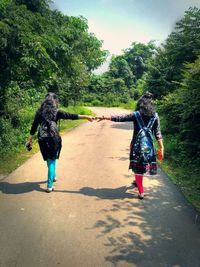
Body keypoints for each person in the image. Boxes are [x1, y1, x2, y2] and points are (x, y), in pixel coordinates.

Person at [96, 92, 164, 199]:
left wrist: (104, 117)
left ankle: (141, 191)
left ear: (140, 104)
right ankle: (138, 182)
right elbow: (158, 133)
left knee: (137, 166)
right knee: (144, 163)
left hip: (136, 145)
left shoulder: (136, 115)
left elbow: (119, 118)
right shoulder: (155, 116)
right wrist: (162, 147)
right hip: (148, 147)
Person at [26, 92, 94, 192]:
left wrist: (30, 139)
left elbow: (34, 126)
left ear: (45, 101)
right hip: (54, 138)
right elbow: (71, 116)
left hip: (42, 138)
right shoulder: (57, 111)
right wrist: (87, 117)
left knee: (49, 160)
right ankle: (49, 185)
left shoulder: (39, 112)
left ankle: (53, 176)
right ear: (55, 102)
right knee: (52, 160)